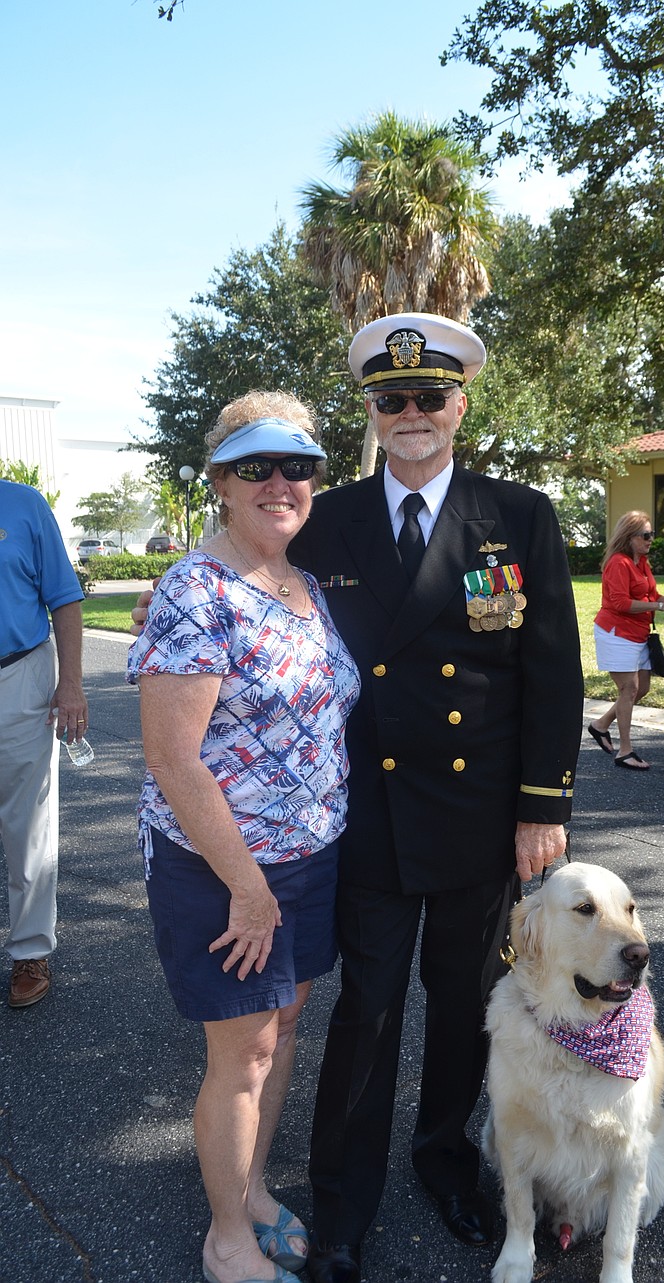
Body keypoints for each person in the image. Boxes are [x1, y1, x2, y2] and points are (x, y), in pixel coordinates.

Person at [132, 316, 584, 1283]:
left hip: (479, 818)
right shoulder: (320, 514)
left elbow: (553, 673)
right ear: (372, 413)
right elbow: (238, 575)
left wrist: (543, 805)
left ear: (460, 405)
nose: (411, 414)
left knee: (463, 1004)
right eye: (391, 400)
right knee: (367, 1011)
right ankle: (342, 1202)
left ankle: (445, 1163)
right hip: (364, 818)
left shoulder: (521, 513)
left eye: (429, 397)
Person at [127, 394, 360, 1283]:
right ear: (220, 482)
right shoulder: (196, 588)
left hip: (309, 854)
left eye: (297, 466)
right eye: (253, 467)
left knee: (286, 1023)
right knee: (242, 1047)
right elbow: (172, 759)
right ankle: (227, 1235)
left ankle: (255, 1186)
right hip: (221, 868)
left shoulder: (303, 583)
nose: (278, 483)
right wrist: (250, 887)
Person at [0, 479, 87, 1008]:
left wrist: (71, 684)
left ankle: (30, 949)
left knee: (28, 822)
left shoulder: (24, 504)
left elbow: (64, 597)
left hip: (20, 675)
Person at [587, 511, 664, 771]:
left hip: (638, 633)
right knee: (629, 689)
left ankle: (600, 725)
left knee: (641, 688)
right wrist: (657, 606)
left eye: (651, 534)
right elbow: (620, 603)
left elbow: (652, 593)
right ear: (629, 537)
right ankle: (625, 751)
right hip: (616, 633)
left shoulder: (641, 562)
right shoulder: (618, 563)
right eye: (645, 535)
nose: (650, 539)